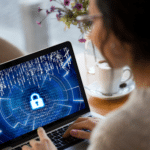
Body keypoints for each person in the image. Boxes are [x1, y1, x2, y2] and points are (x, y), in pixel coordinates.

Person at [22, 0, 150, 149]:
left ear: (119, 29)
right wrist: (111, 129)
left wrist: (112, 134)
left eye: (93, 21)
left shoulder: (116, 134)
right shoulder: (120, 131)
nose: (90, 34)